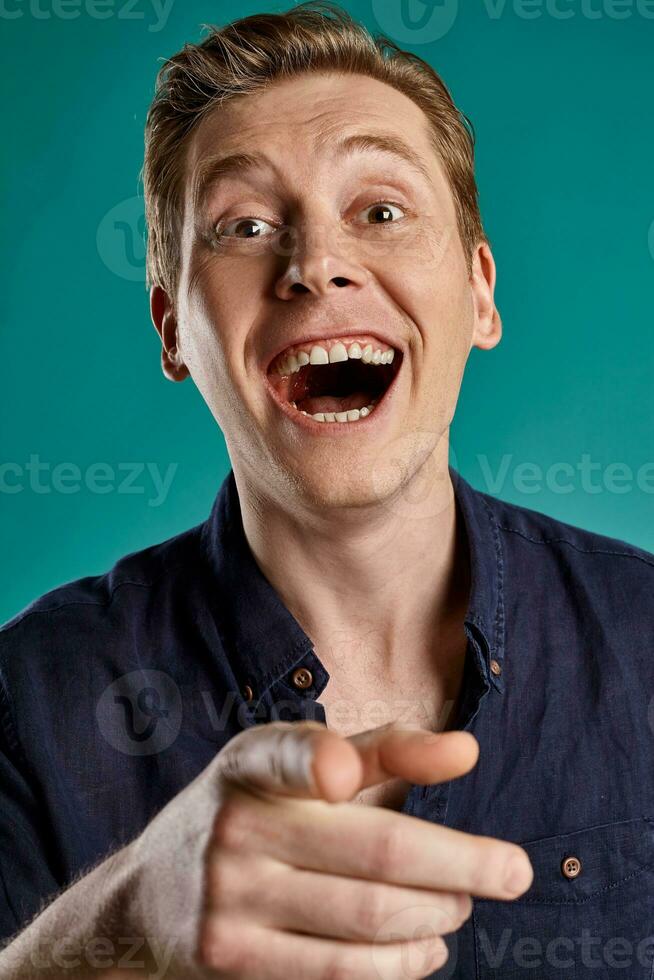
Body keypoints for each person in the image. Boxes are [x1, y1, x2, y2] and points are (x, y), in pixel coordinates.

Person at [1, 3, 653, 978]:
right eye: (246, 226)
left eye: (380, 211)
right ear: (175, 329)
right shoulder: (32, 696)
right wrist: (121, 928)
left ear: (479, 293)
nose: (314, 264)